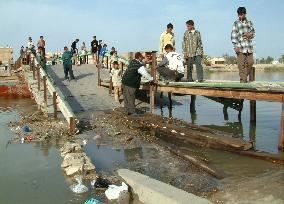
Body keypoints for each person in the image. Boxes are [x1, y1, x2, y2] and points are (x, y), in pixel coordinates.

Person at [231, 7, 255, 83]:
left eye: (241, 15)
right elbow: (233, 35)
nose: (239, 16)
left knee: (250, 62)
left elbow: (253, 33)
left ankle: (244, 78)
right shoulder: (236, 23)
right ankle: (243, 82)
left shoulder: (250, 22)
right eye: (238, 15)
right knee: (241, 65)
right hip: (240, 47)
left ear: (245, 14)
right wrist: (235, 46)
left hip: (249, 47)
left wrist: (249, 34)